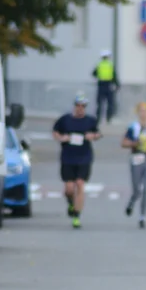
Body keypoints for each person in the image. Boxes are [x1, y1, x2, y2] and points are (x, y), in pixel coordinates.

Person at [52, 93, 102, 229]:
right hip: (68, 157)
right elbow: (55, 132)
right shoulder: (65, 120)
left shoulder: (90, 121)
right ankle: (71, 203)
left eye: (83, 106)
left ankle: (77, 215)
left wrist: (93, 136)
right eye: (78, 106)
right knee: (69, 188)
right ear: (74, 106)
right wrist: (62, 138)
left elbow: (98, 133)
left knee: (80, 184)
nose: (80, 108)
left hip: (84, 157)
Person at [122, 102, 146, 229]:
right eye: (141, 111)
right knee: (137, 189)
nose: (144, 114)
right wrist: (134, 143)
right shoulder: (133, 127)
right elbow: (123, 143)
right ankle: (131, 202)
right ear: (138, 113)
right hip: (136, 157)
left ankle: (142, 217)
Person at [92, 50, 119, 124]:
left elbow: (93, 73)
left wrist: (99, 76)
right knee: (110, 103)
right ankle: (108, 118)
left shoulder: (99, 64)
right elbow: (114, 75)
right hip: (109, 84)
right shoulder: (110, 64)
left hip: (101, 84)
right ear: (108, 57)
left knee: (99, 102)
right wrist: (117, 84)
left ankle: (98, 118)